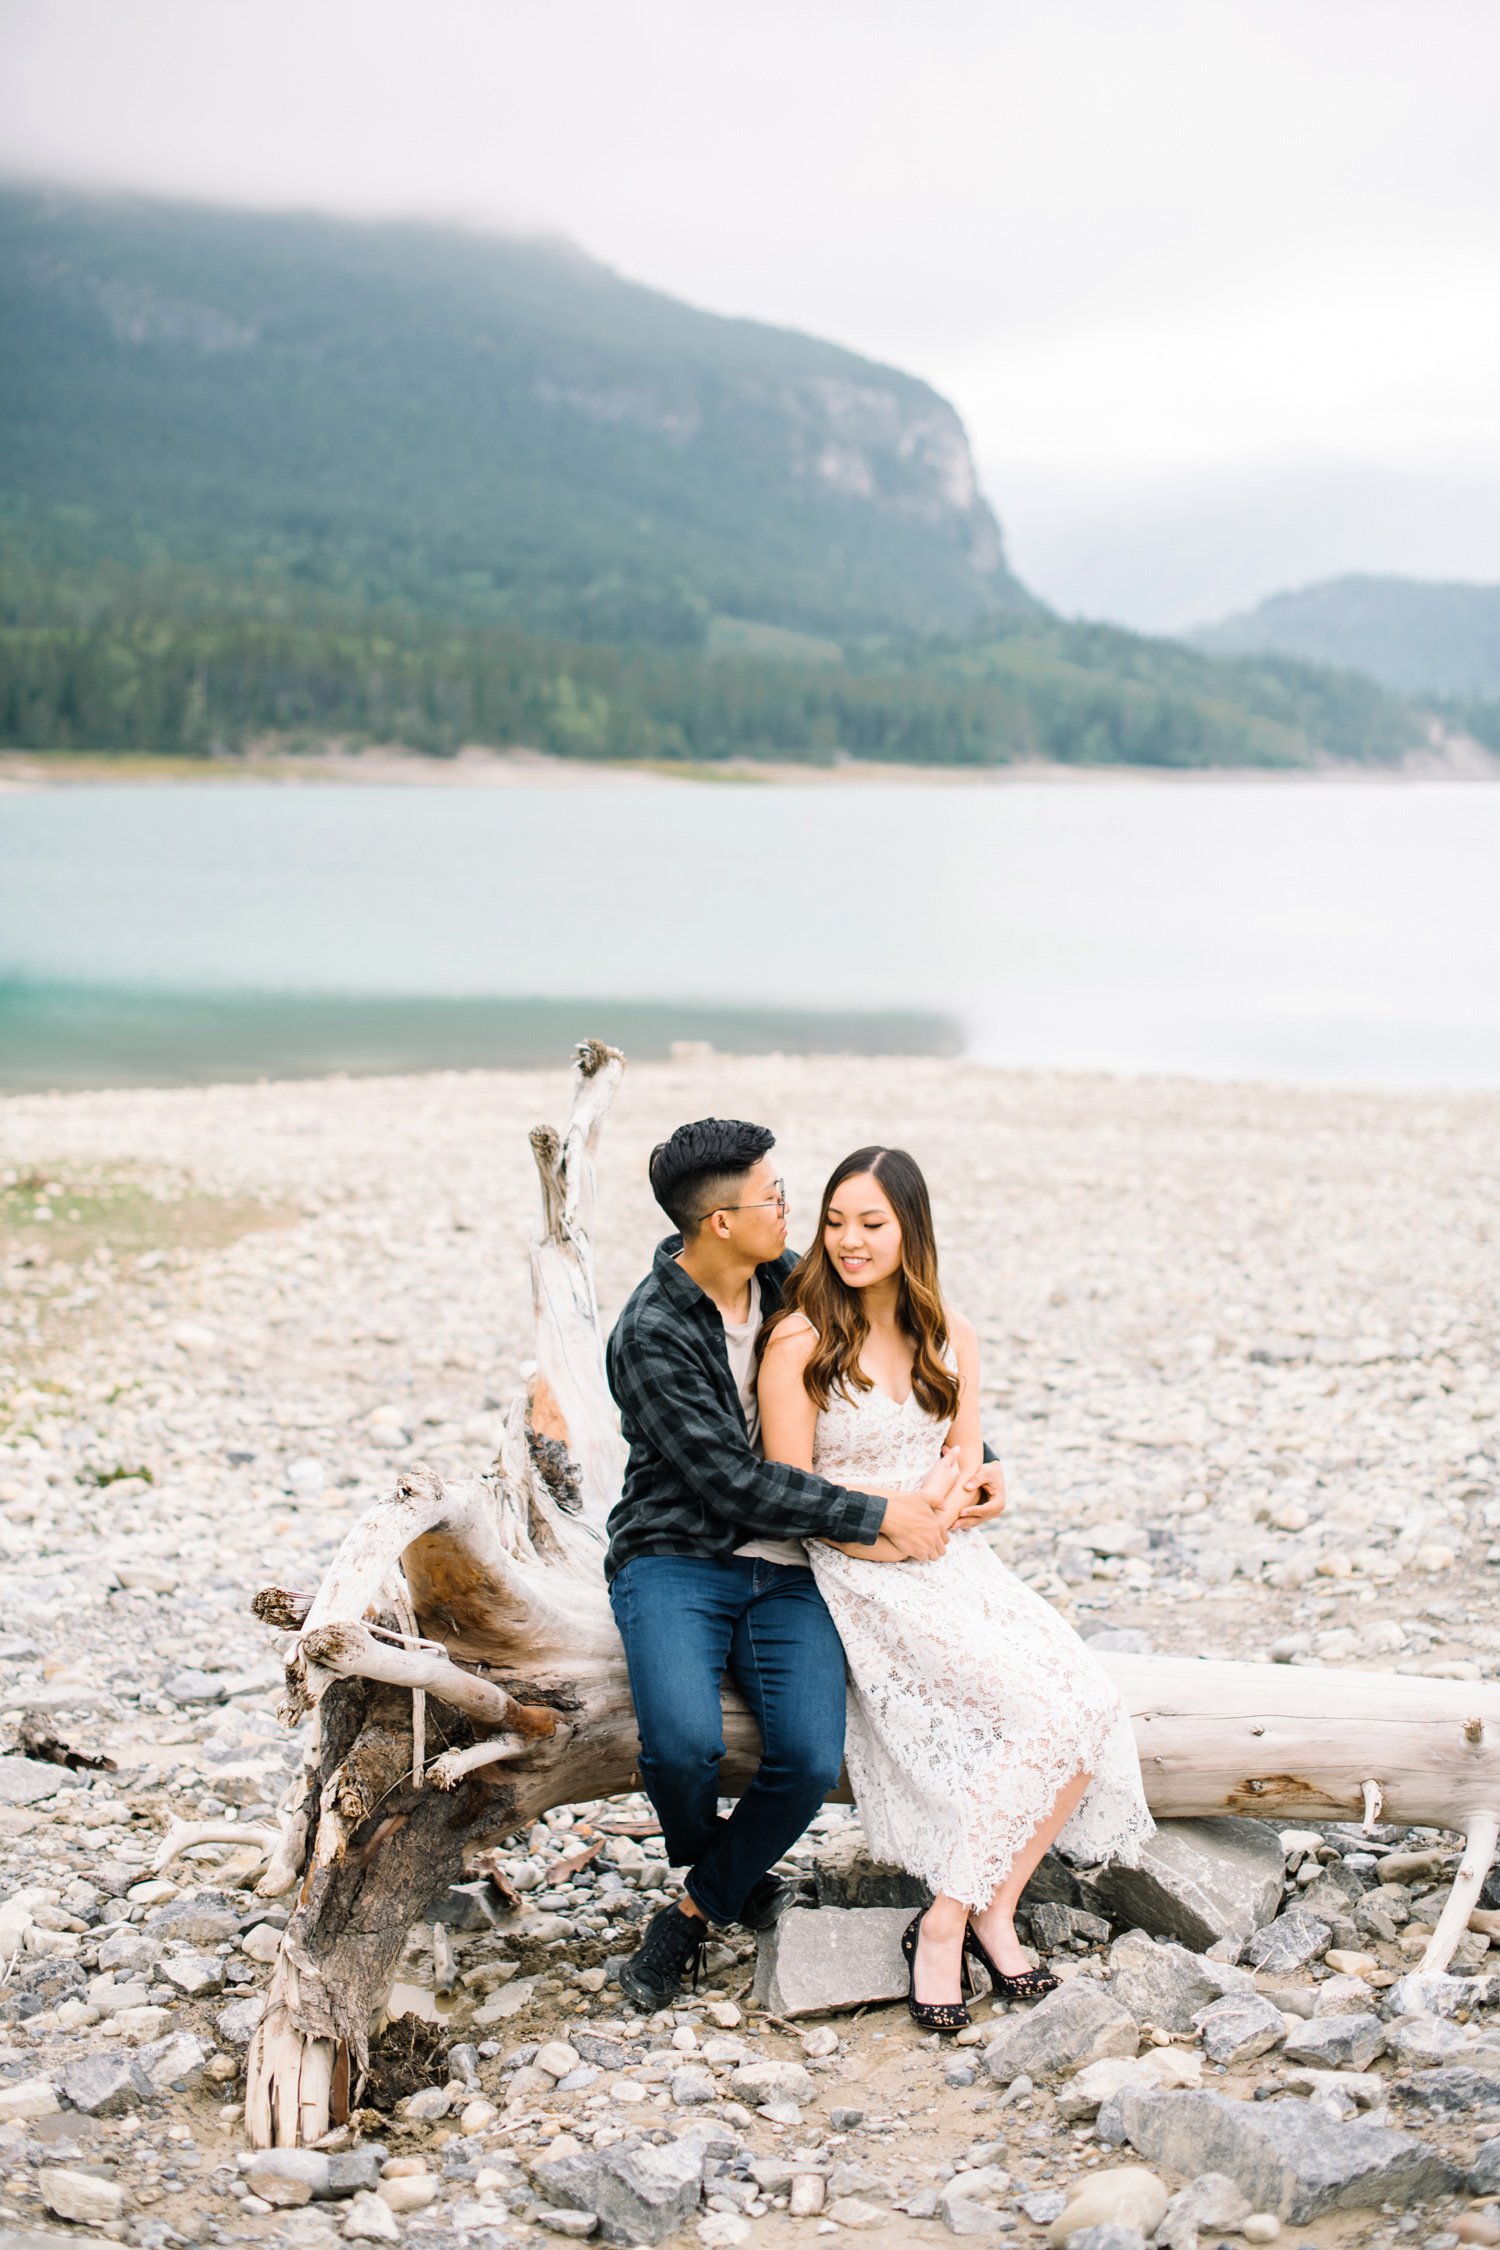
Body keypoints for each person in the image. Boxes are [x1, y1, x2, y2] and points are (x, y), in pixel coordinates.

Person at [604, 1117, 1007, 2011]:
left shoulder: (790, 1280)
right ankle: (727, 1881)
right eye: (777, 1199)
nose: (795, 1211)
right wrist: (881, 1516)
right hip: (680, 1555)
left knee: (806, 1753)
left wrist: (980, 1457)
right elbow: (735, 1485)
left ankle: (692, 1910)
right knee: (681, 1747)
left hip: (795, 1568)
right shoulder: (651, 1334)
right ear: (719, 1223)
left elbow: (904, 1359)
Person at [757, 1144, 1154, 2031]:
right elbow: (790, 1493)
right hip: (861, 1570)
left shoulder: (950, 1335)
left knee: (1087, 1700)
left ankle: (985, 1909)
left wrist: (972, 1493)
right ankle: (944, 1927)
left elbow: (967, 1459)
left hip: (956, 1563)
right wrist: (899, 1525)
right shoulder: (802, 1338)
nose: (849, 1242)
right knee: (1041, 1716)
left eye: (872, 1224)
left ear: (911, 1231)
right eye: (835, 1223)